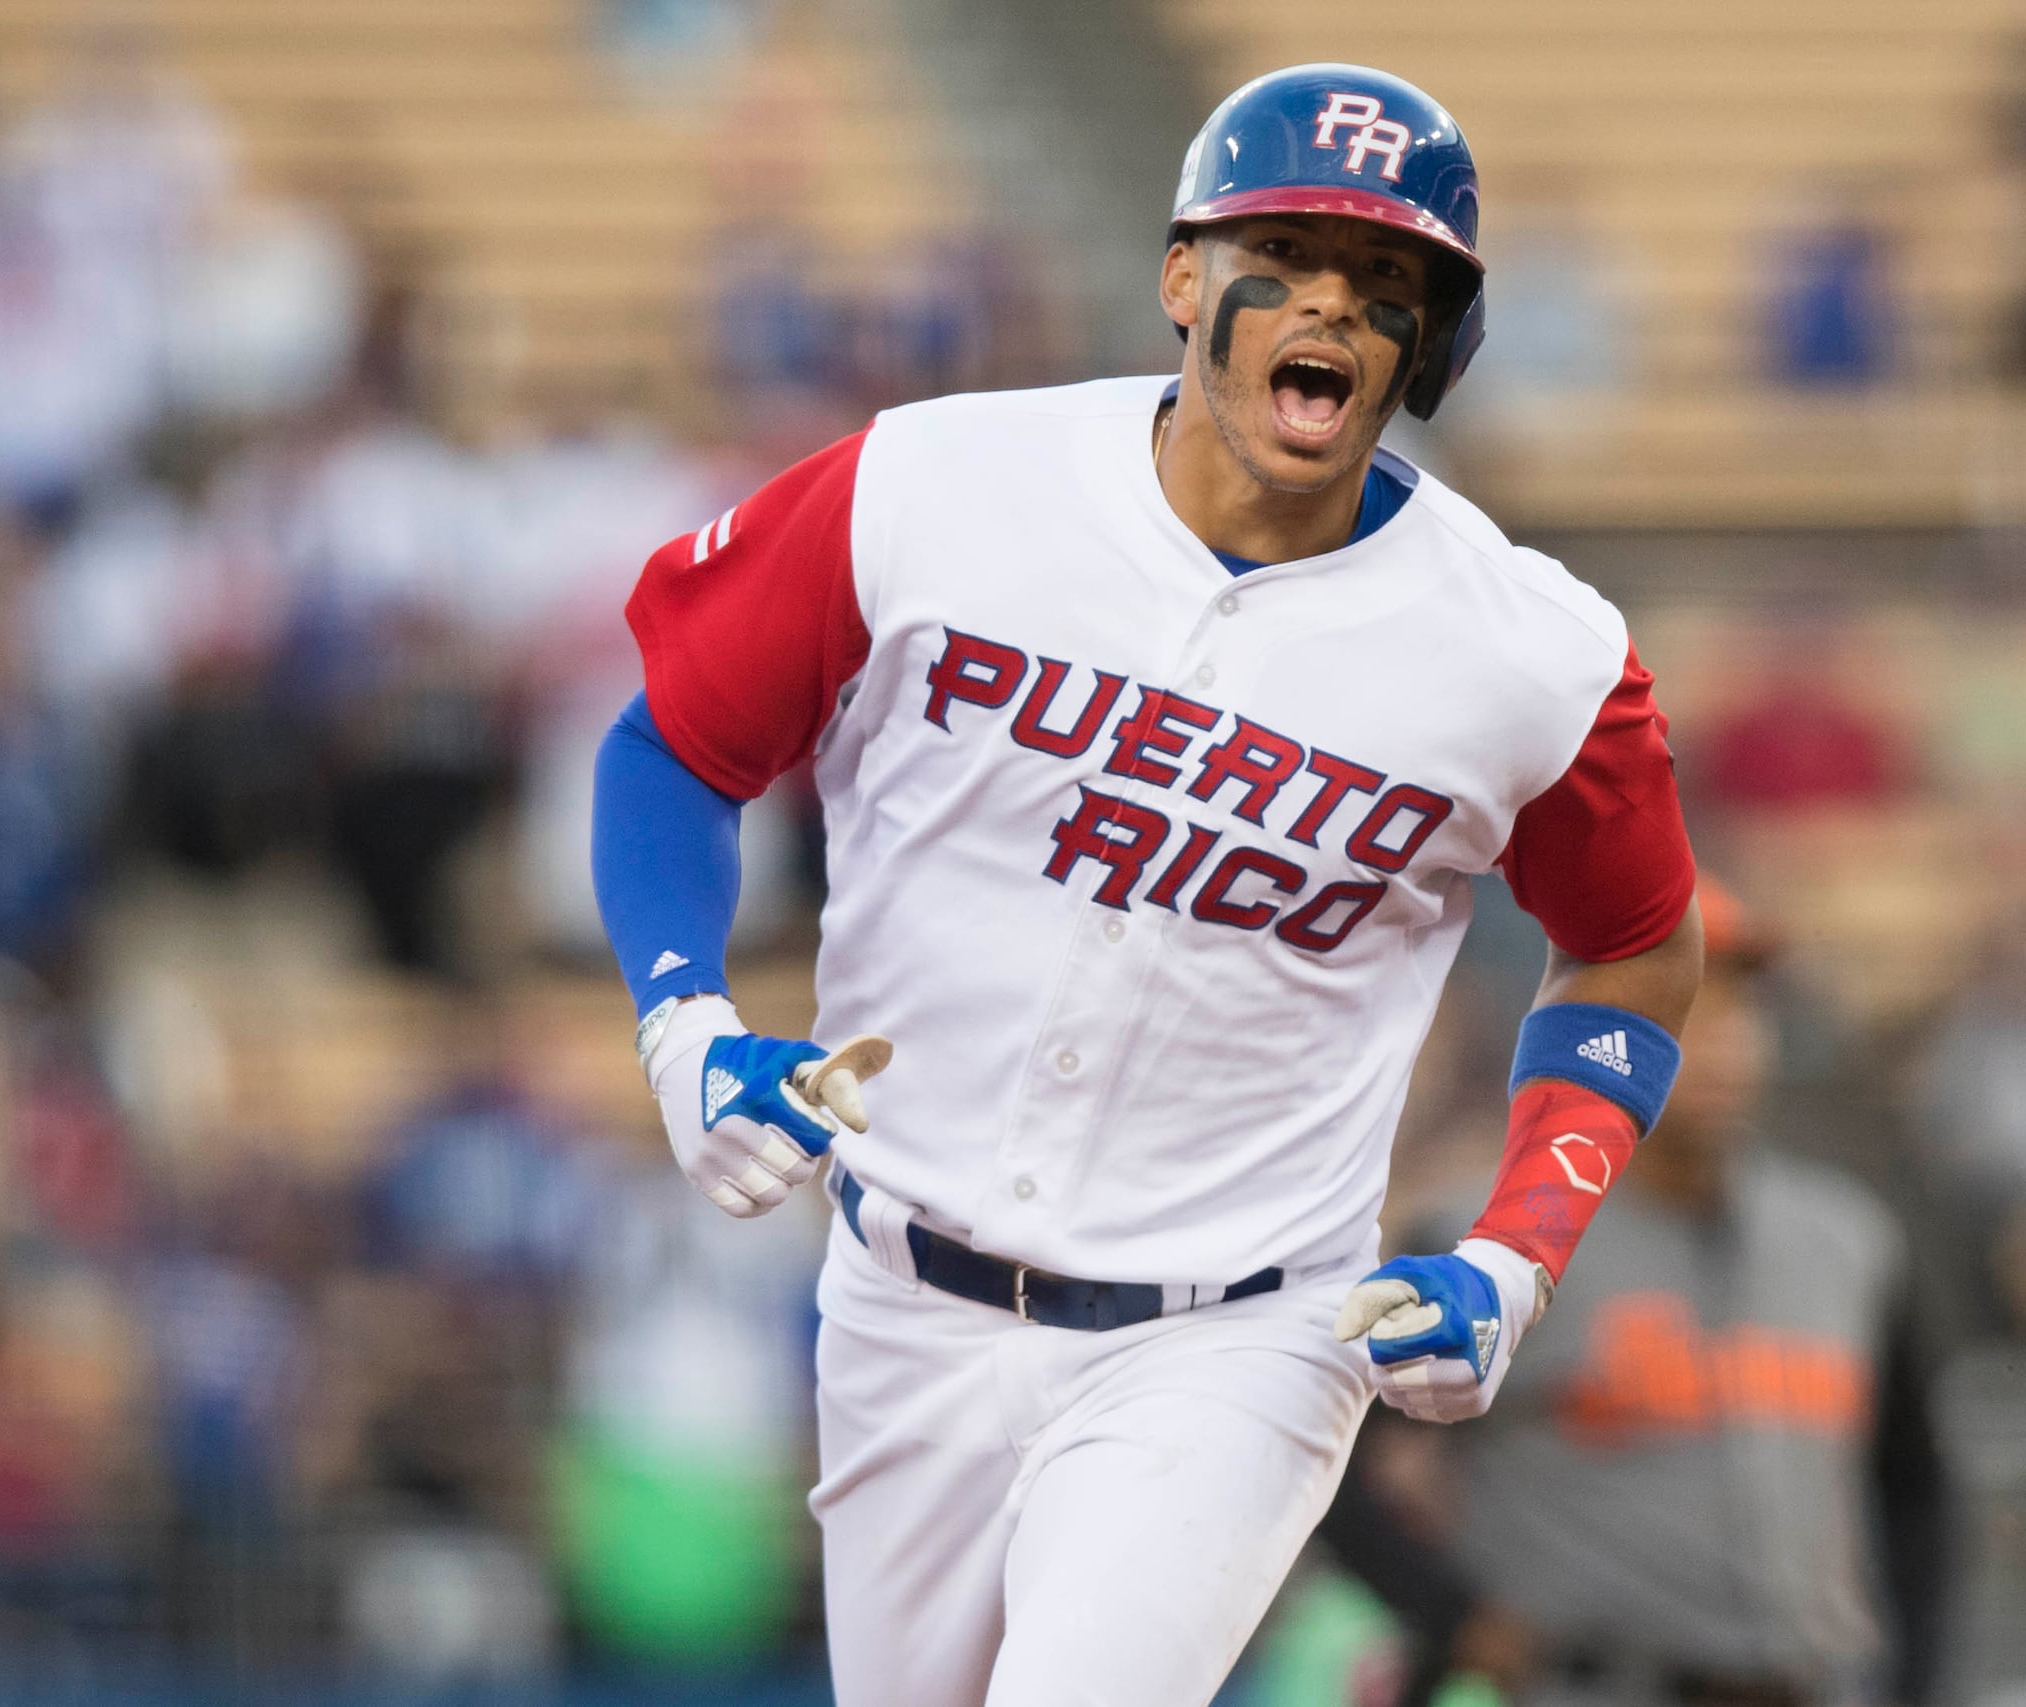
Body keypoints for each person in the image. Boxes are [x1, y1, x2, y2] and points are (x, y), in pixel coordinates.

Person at [587, 64, 1703, 1707]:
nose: (1331, 302)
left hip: (1239, 1332)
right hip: (900, 1296)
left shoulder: (1532, 652)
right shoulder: (932, 484)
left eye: (1385, 276)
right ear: (1185, 275)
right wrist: (682, 1022)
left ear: (1437, 341)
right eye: (1286, 255)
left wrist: (1517, 1251)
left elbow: (1635, 951)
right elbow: (672, 742)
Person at [1321, 876, 1950, 1707]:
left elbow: (1916, 1487)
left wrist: (1914, 1680)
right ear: (1592, 1029)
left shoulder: (1848, 1239)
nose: (1725, 1044)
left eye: (1742, 1011)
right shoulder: (1487, 1241)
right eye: (1689, 1012)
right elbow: (1328, 1445)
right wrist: (1454, 1617)